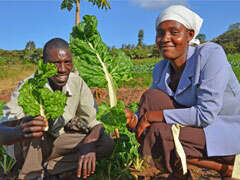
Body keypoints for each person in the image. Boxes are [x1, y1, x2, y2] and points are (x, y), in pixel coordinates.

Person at [125, 5, 240, 180]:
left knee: (160, 132)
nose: (165, 39)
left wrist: (151, 117)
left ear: (190, 35)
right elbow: (150, 105)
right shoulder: (161, 69)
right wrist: (133, 118)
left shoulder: (210, 55)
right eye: (160, 33)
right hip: (196, 127)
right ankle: (217, 169)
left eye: (174, 32)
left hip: (227, 130)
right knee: (151, 97)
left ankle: (178, 170)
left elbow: (206, 115)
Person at [0, 38, 114, 180]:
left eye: (67, 62)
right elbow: (1, 131)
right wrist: (21, 130)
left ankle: (51, 169)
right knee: (37, 128)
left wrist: (88, 143)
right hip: (26, 147)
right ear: (43, 63)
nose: (62, 69)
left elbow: (95, 123)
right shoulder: (29, 86)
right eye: (55, 64)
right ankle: (32, 175)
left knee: (105, 142)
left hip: (56, 142)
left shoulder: (76, 83)